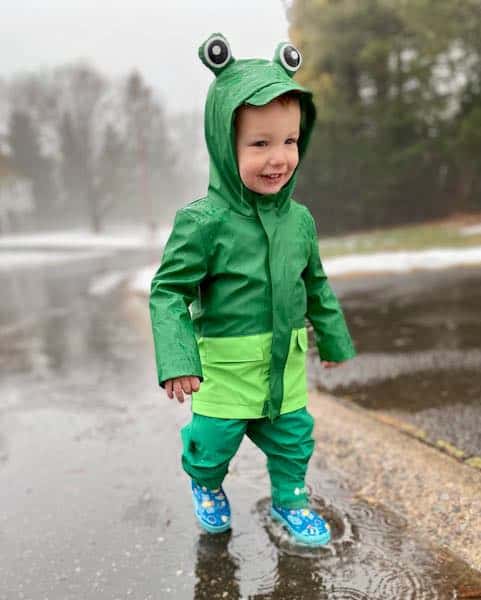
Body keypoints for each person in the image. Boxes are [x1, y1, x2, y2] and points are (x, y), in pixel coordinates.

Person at [149, 34, 356, 546]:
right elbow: (168, 290)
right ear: (226, 144)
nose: (278, 158)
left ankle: (291, 499)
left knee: (293, 440)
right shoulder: (204, 222)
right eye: (259, 144)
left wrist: (333, 338)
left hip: (282, 367)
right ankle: (206, 482)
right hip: (221, 372)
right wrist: (178, 358)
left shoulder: (299, 221)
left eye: (289, 142)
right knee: (212, 443)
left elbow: (316, 283)